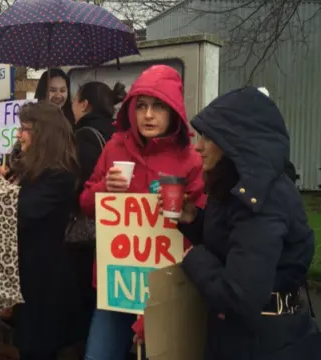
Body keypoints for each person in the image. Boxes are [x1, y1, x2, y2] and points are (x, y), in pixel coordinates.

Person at [175, 87, 319, 359]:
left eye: (208, 137)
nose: (198, 146)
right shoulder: (236, 186)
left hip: (262, 343)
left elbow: (239, 296)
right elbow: (234, 243)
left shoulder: (262, 199)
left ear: (234, 141)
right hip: (252, 337)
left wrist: (195, 260)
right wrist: (194, 220)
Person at [79, 65, 206, 360]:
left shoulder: (190, 160)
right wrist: (103, 189)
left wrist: (189, 210)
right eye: (142, 106)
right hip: (117, 286)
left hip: (167, 289)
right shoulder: (114, 148)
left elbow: (202, 225)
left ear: (174, 110)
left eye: (159, 106)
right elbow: (85, 203)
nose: (148, 115)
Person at [5, 101, 80, 360]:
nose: (18, 134)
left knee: (37, 349)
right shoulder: (33, 170)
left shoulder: (59, 175)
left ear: (43, 134)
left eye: (24, 128)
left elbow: (20, 211)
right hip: (29, 276)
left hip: (45, 283)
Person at [68, 80, 126, 346]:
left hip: (91, 232)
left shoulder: (84, 135)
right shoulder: (117, 133)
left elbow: (81, 185)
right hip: (120, 233)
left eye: (74, 100)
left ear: (84, 104)